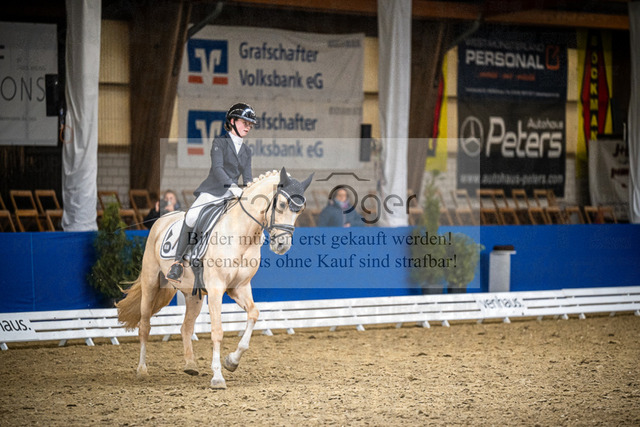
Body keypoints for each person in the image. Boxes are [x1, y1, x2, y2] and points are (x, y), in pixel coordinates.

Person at [166, 102, 257, 284]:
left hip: (232, 195)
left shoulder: (247, 151)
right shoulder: (219, 142)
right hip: (213, 191)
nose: (248, 127)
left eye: (250, 124)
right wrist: (232, 186)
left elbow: (247, 177)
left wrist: (250, 191)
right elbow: (217, 169)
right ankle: (178, 262)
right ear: (232, 122)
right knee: (191, 216)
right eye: (244, 122)